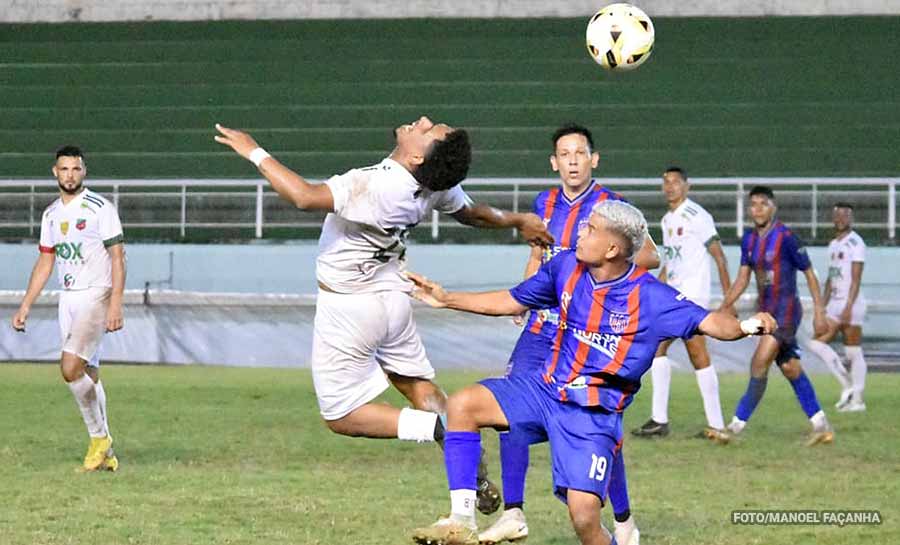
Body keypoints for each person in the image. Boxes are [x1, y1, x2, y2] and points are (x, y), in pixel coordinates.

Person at [214, 116, 553, 514]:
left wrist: (253, 150)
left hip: (350, 306)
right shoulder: (431, 182)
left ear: (414, 155)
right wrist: (516, 220)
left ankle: (439, 427)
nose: (422, 121)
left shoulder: (377, 183)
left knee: (341, 416)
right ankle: (469, 468)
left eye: (429, 131)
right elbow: (472, 213)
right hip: (392, 297)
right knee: (416, 384)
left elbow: (304, 196)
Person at [408, 200, 776, 545]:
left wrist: (746, 326)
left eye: (591, 228)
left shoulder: (652, 297)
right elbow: (512, 300)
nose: (580, 232)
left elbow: (712, 323)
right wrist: (447, 299)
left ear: (612, 249)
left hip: (592, 414)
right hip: (545, 390)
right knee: (463, 404)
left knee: (584, 519)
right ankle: (462, 520)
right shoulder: (565, 267)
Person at [480, 124, 658, 545]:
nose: (573, 160)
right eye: (565, 153)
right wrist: (524, 299)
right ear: (554, 162)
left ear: (594, 159)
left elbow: (648, 256)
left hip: (584, 338)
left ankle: (624, 519)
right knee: (508, 407)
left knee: (597, 424)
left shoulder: (612, 207)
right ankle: (513, 513)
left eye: (581, 152)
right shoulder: (543, 202)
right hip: (542, 327)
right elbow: (539, 255)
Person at [11, 145, 125, 472]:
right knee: (87, 374)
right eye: (64, 169)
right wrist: (26, 304)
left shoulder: (100, 208)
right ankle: (107, 451)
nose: (70, 175)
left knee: (69, 368)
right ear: (55, 172)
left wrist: (116, 302)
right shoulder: (50, 215)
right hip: (69, 296)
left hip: (96, 293)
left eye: (76, 169)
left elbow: (118, 257)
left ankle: (99, 438)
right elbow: (46, 260)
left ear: (84, 172)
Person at [720, 186, 834, 445]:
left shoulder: (787, 237)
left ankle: (735, 426)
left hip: (786, 313)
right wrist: (724, 306)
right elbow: (742, 278)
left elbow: (810, 274)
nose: (757, 209)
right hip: (766, 313)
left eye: (763, 203)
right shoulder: (749, 240)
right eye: (753, 204)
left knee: (759, 362)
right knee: (790, 368)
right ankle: (820, 424)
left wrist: (819, 312)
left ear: (773, 207)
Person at [632, 167, 732, 443]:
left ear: (687, 186)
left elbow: (719, 257)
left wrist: (727, 301)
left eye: (676, 182)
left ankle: (716, 425)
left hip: (692, 298)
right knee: (658, 349)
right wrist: (652, 289)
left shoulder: (697, 216)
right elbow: (671, 264)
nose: (670, 186)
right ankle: (661, 420)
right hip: (674, 297)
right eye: (666, 182)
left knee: (695, 354)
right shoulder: (667, 220)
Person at [806, 203, 867, 412]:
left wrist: (849, 306)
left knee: (853, 351)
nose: (841, 219)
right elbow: (831, 279)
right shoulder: (833, 244)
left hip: (851, 302)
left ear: (851, 218)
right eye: (837, 215)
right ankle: (849, 388)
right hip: (834, 303)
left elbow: (857, 279)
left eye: (845, 215)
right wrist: (822, 306)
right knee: (816, 344)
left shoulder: (856, 243)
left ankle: (857, 399)